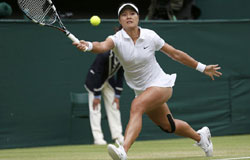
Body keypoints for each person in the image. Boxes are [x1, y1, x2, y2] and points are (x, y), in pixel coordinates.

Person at [73, 3, 222, 159]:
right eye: (124, 15)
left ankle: (123, 150)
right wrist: (89, 45)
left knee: (136, 106)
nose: (128, 16)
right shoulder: (116, 39)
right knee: (169, 126)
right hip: (142, 90)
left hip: (161, 84)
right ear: (120, 21)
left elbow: (175, 54)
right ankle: (201, 138)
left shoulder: (150, 36)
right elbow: (102, 46)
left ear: (138, 17)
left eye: (132, 13)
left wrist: (202, 68)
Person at [84, 50, 124, 145]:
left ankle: (118, 136)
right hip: (94, 81)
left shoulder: (124, 56)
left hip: (108, 81)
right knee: (95, 109)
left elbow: (120, 75)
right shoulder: (104, 55)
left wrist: (117, 95)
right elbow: (97, 73)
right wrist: (97, 95)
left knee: (114, 107)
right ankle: (98, 139)